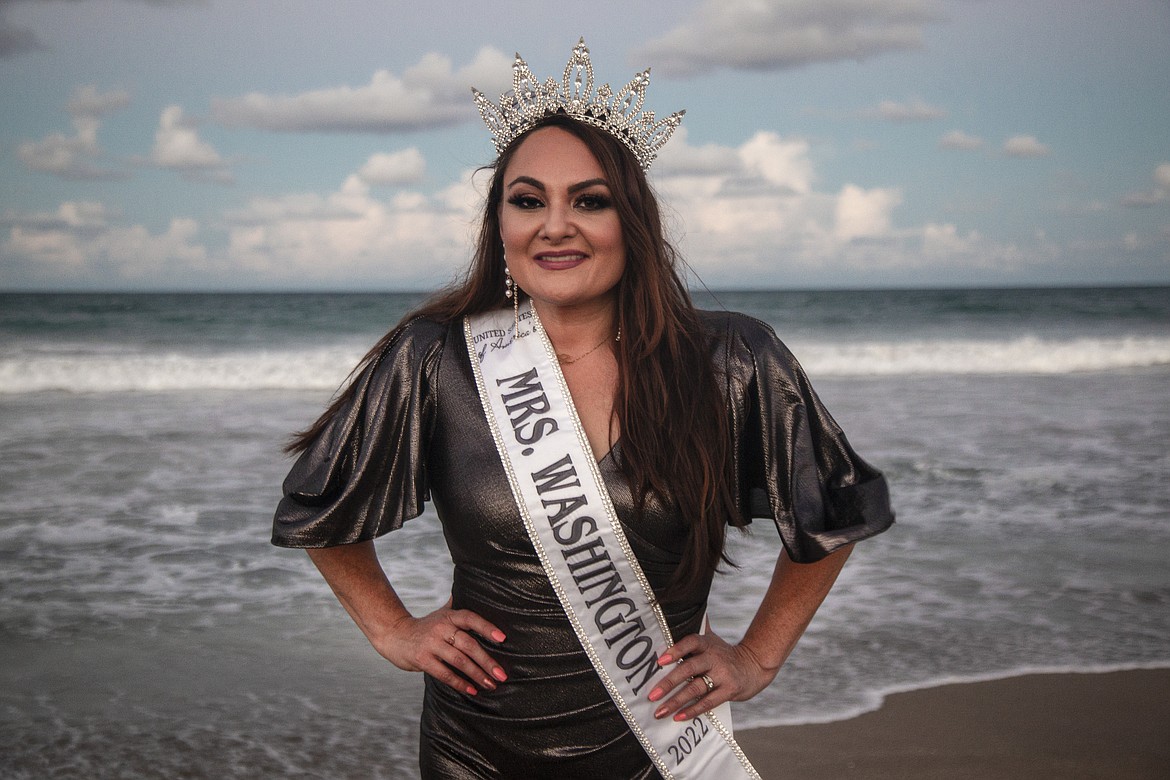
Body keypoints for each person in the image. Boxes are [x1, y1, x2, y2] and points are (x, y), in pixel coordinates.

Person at [273, 39, 893, 779]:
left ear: (631, 220)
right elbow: (319, 505)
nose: (555, 226)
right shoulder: (435, 360)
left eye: (589, 201)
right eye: (528, 200)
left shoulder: (731, 361)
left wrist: (757, 657)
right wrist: (394, 629)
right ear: (499, 224)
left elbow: (837, 507)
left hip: (656, 748)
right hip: (476, 750)